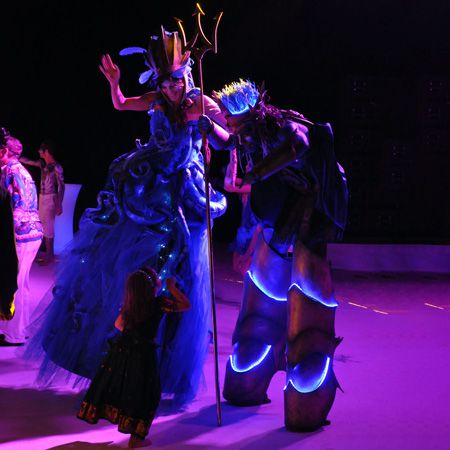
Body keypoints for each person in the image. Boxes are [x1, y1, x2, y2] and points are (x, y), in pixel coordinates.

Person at [25, 27, 227, 409]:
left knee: (174, 267)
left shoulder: (201, 101)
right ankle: (112, 354)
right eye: (164, 83)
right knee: (116, 262)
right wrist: (114, 83)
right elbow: (120, 104)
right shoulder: (155, 100)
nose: (170, 88)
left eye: (176, 81)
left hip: (179, 190)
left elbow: (226, 139)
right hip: (148, 183)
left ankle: (160, 362)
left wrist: (210, 127)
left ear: (185, 75)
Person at [199, 80, 348, 431]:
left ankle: (307, 370)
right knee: (264, 292)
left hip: (313, 201)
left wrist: (259, 172)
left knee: (306, 286)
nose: (233, 129)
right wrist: (208, 129)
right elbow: (227, 141)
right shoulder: (245, 133)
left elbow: (300, 145)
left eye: (235, 123)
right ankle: (255, 362)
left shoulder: (283, 125)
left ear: (253, 117)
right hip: (281, 206)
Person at [77, 267, 190, 448]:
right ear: (152, 285)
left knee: (125, 389)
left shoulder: (131, 305)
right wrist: (172, 287)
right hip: (143, 354)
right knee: (146, 393)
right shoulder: (158, 303)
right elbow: (185, 305)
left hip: (122, 351)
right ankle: (136, 437)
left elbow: (118, 325)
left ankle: (131, 430)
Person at [0, 128, 43, 345]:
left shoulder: (8, 171)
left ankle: (13, 334)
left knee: (13, 283)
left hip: (20, 235)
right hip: (33, 232)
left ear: (4, 152)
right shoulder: (22, 171)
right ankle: (19, 330)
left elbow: (15, 207)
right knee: (22, 283)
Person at [21, 140, 65, 264]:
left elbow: (61, 186)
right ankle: (47, 254)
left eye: (41, 150)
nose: (39, 151)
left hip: (51, 197)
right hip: (42, 197)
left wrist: (59, 203)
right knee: (43, 226)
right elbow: (29, 161)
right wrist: (16, 157)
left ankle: (50, 256)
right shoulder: (42, 164)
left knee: (49, 226)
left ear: (47, 151)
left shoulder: (56, 167)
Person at [223, 149, 261, 275]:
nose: (246, 167)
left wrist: (233, 157)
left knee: (245, 268)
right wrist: (232, 159)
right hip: (244, 230)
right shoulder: (248, 184)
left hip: (253, 232)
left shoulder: (254, 187)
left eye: (249, 165)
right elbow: (228, 183)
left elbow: (230, 186)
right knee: (236, 266)